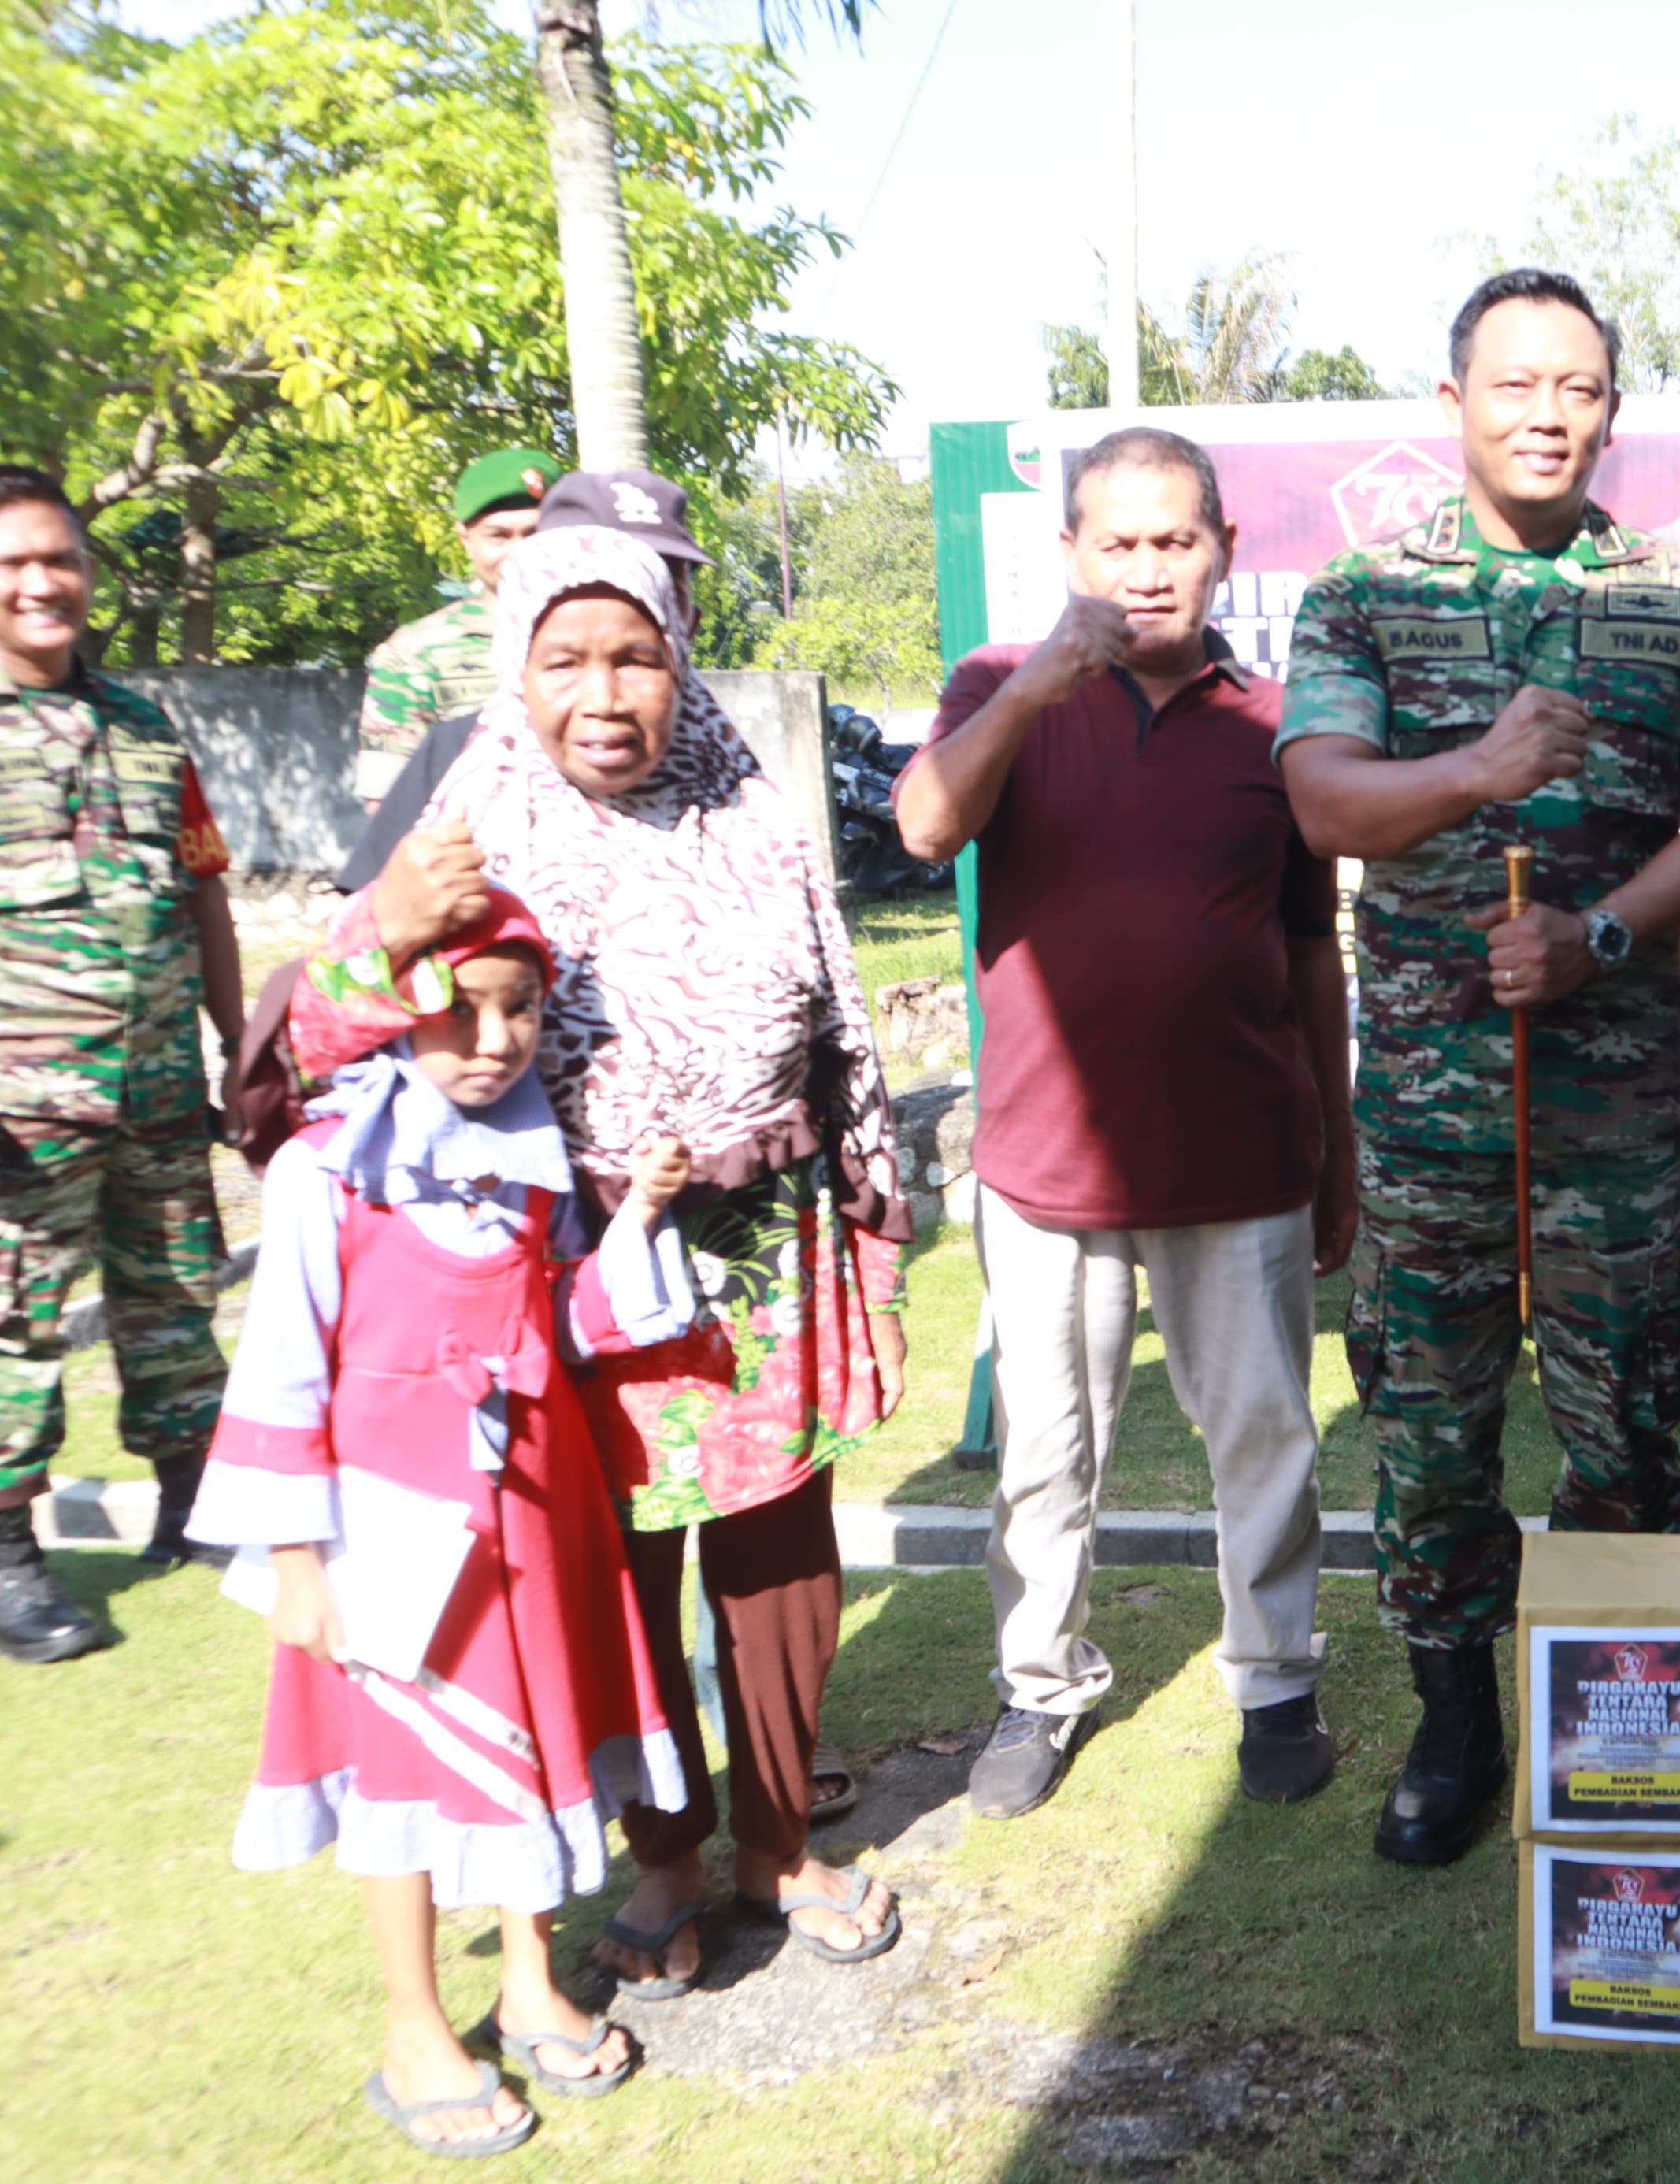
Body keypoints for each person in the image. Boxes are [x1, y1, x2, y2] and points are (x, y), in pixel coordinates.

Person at [296, 524, 909, 1984]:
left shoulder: (754, 810)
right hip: (561, 1271)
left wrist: (876, 1242)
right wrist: (385, 927)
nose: (606, 689)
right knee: (613, 1572)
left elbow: (845, 1042)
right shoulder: (462, 828)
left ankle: (778, 1840)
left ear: (677, 659)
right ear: (517, 669)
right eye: (564, 657)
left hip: (759, 1254)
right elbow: (316, 1042)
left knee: (776, 1567)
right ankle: (665, 1857)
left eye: (635, 651)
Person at [1278, 269, 1680, 1865]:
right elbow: (1323, 803)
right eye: (1514, 384)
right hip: (1430, 1114)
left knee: (1627, 1421)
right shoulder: (1359, 597)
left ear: (1610, 412)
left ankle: (1620, 1712)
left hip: (1611, 1114)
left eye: (1576, 387)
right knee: (1429, 1427)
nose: (1546, 412)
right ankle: (1455, 1720)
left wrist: (1606, 939)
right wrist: (1481, 769)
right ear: (1454, 407)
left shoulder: (1677, 599)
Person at [185, 892, 694, 2156]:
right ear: (390, 1012)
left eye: (521, 1008)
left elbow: (559, 1326)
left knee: (531, 1745)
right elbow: (284, 1368)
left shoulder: (531, 1170)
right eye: (460, 1008)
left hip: (533, 1516)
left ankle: (527, 1977)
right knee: (402, 1771)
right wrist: (298, 1562)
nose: (494, 1038)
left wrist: (632, 1227)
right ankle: (416, 2025)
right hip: (397, 1531)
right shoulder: (324, 1171)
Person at [896, 425, 1354, 1819]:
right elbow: (923, 826)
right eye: (1120, 542)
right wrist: (1035, 685)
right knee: (1046, 1453)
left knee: (1265, 1436)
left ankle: (1276, 1679)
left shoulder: (1276, 723)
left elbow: (1308, 952)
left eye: (1177, 541)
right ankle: (1040, 1685)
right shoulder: (996, 689)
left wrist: (1336, 1146)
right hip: (1046, 1169)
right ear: (1072, 552)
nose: (1149, 570)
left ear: (1223, 551)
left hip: (1242, 1160)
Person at [0, 463, 243, 1659]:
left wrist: (237, 1044)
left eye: (63, 559)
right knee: (12, 1329)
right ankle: (9, 1562)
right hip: (18, 1107)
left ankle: (195, 1507)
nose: (44, 582)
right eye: (16, 565)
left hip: (153, 1091)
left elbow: (205, 891)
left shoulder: (147, 730)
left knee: (174, 1304)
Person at [336, 470, 710, 896]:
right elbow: (367, 922)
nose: (603, 700)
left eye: (660, 581)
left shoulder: (733, 783)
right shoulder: (457, 755)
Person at [357, 448, 559, 812]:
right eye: (498, 536)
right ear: (465, 538)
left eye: (536, 533)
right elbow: (388, 805)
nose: (520, 552)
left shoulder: (610, 635)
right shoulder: (416, 653)